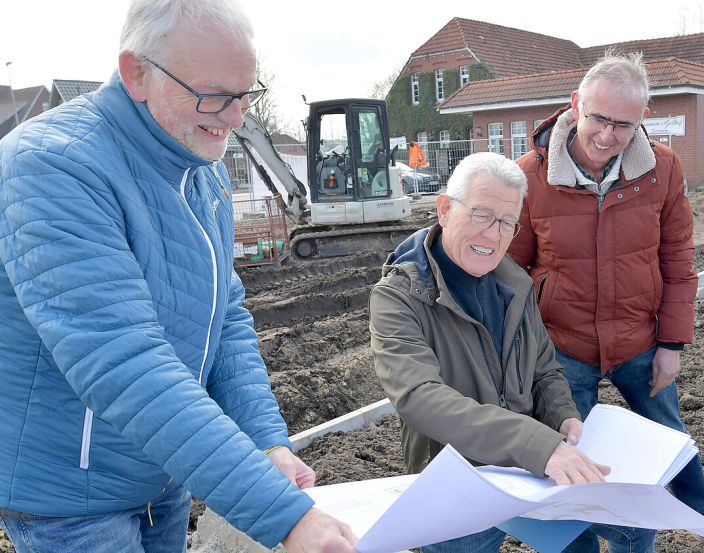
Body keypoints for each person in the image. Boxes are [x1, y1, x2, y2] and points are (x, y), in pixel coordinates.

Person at [0, 1, 354, 552]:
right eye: (214, 95)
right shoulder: (53, 166)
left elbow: (225, 317)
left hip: (162, 477)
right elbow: (123, 362)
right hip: (74, 498)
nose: (236, 119)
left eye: (246, 95)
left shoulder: (198, 172)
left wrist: (266, 442)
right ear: (135, 72)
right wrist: (285, 517)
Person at [508, 52, 704, 553]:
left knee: (671, 446)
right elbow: (513, 272)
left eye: (623, 124)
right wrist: (526, 355)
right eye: (599, 118)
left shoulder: (663, 171)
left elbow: (677, 259)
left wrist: (672, 343)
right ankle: (583, 545)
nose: (608, 135)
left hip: (639, 339)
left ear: (642, 121)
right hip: (563, 346)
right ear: (576, 105)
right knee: (573, 457)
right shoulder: (531, 176)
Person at [370, 152, 610, 553]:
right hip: (456, 484)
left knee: (582, 545)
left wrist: (562, 414)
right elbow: (419, 398)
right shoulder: (399, 298)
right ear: (445, 209)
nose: (493, 235)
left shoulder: (514, 284)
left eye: (506, 224)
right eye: (481, 215)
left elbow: (544, 368)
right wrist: (535, 444)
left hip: (532, 474)